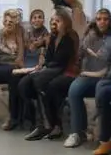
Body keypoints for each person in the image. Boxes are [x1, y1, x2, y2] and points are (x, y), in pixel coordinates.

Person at [63, 8, 111, 148]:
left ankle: (106, 136)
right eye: (99, 19)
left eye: (105, 19)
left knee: (99, 89)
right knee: (74, 90)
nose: (102, 22)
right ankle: (77, 133)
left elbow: (106, 64)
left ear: (110, 21)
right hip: (89, 75)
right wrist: (87, 35)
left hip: (106, 76)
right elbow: (81, 54)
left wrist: (88, 73)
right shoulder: (90, 35)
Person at [22, 9, 79, 141]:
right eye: (52, 20)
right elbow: (48, 57)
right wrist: (47, 65)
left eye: (57, 21)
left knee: (41, 82)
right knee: (24, 84)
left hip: (67, 69)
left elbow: (62, 59)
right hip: (53, 68)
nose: (54, 23)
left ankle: (46, 125)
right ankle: (43, 122)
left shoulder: (70, 36)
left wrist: (48, 65)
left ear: (65, 22)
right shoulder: (53, 36)